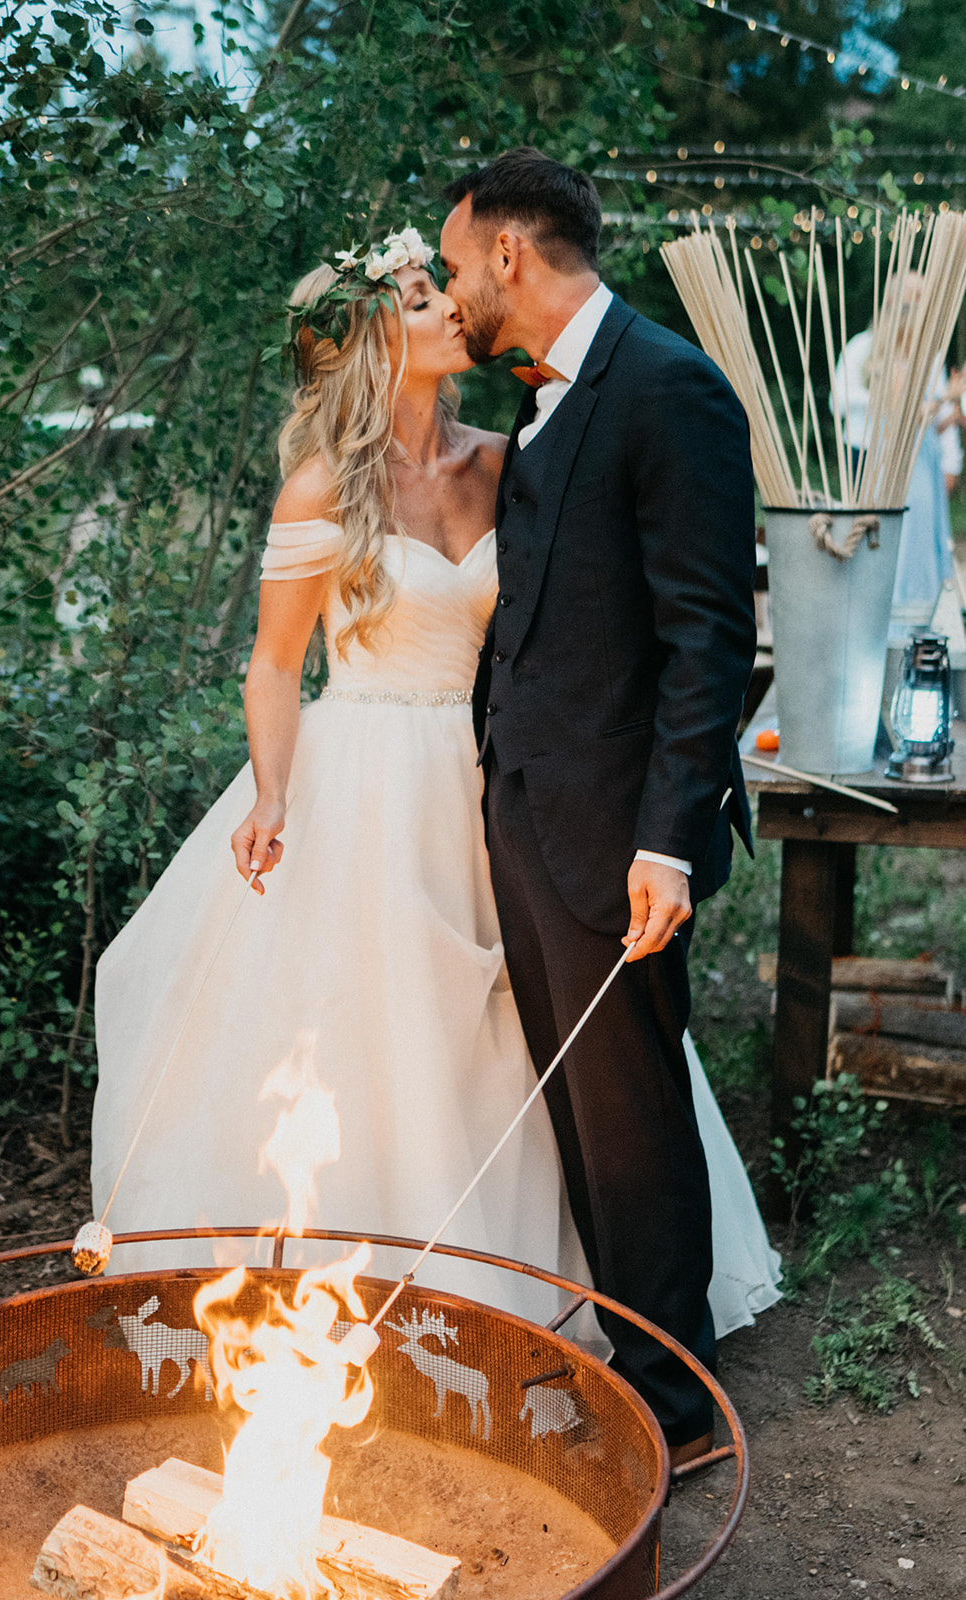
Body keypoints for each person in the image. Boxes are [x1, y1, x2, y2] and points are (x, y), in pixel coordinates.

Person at [91, 224, 778, 1363]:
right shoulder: (325, 486)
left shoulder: (512, 463)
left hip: (504, 776)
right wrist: (272, 794)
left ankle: (578, 1299)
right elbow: (273, 663)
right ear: (370, 341)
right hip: (360, 781)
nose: (447, 306)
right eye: (417, 299)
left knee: (540, 1032)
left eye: (437, 285)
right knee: (383, 1041)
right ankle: (363, 1307)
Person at [439, 149, 759, 1462]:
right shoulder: (544, 399)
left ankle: (679, 1422)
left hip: (619, 835)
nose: (454, 289)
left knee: (629, 1123)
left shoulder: (668, 389)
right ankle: (637, 1380)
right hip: (529, 813)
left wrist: (666, 845)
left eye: (457, 263)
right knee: (580, 1117)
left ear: (511, 255)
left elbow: (708, 641)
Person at [833, 281, 964, 641]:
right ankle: (899, 630)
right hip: (892, 464)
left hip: (923, 462)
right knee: (904, 545)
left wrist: (951, 415)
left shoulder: (925, 359)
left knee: (925, 543)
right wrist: (947, 397)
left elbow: (929, 424)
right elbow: (903, 415)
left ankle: (923, 626)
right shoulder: (878, 356)